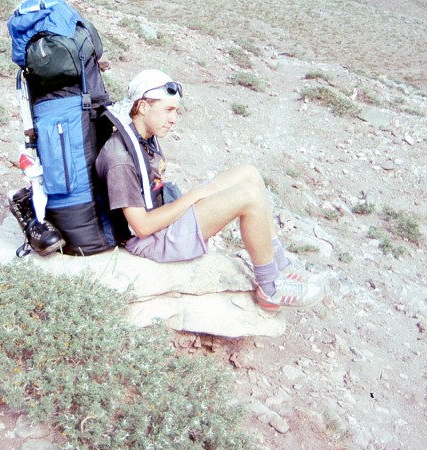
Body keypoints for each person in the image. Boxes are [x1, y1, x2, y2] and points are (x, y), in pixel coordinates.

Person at [96, 69, 325, 311]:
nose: (174, 119)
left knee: (249, 173)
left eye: (176, 111)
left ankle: (280, 268)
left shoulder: (141, 135)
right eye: (169, 110)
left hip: (164, 221)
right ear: (142, 107)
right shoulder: (119, 159)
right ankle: (270, 287)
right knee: (248, 196)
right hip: (152, 242)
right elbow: (141, 227)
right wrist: (194, 197)